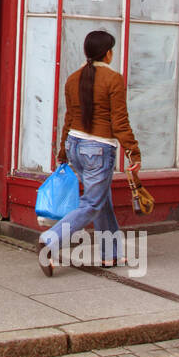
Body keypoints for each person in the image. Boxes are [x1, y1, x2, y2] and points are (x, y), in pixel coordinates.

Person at [38, 29, 141, 275]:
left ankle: (111, 254)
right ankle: (50, 239)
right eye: (111, 50)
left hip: (75, 145)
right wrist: (133, 152)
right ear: (107, 53)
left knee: (102, 201)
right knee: (92, 202)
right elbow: (119, 121)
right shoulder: (113, 79)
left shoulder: (73, 78)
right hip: (98, 149)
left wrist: (63, 149)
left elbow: (69, 118)